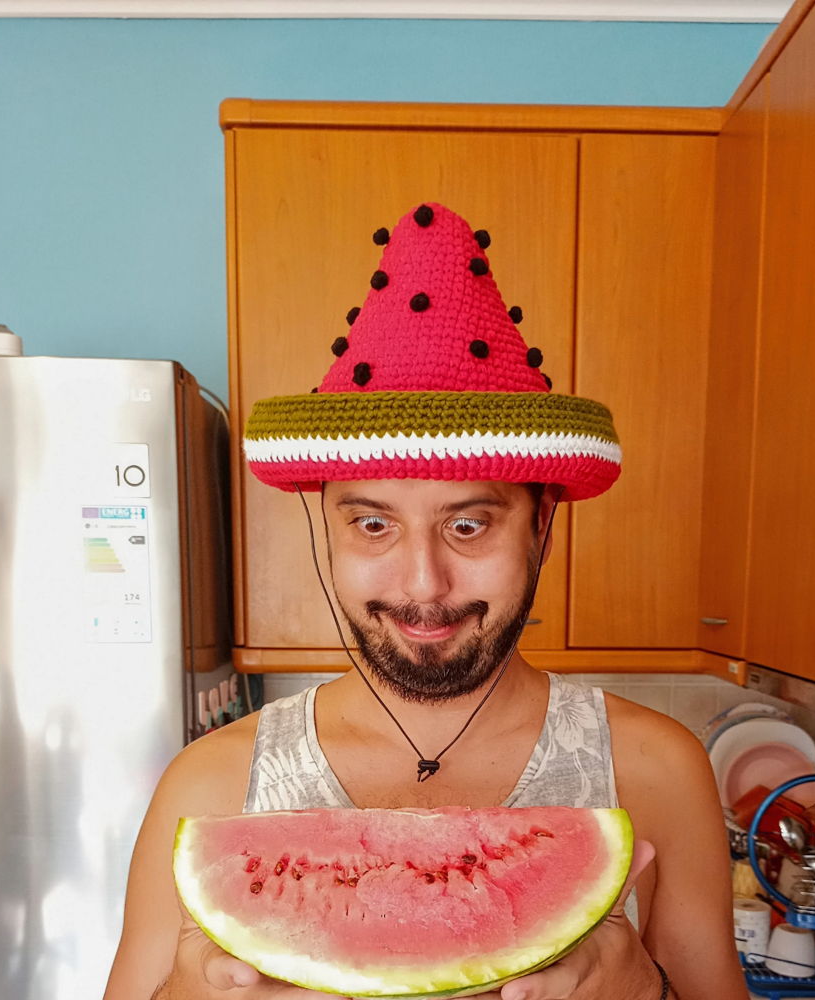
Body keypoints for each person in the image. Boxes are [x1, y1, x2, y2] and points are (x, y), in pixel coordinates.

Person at [104, 203, 748, 1000]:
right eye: (373, 524)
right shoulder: (210, 785)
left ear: (542, 527)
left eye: (468, 525)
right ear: (329, 529)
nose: (422, 585)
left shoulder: (658, 770)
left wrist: (646, 993)